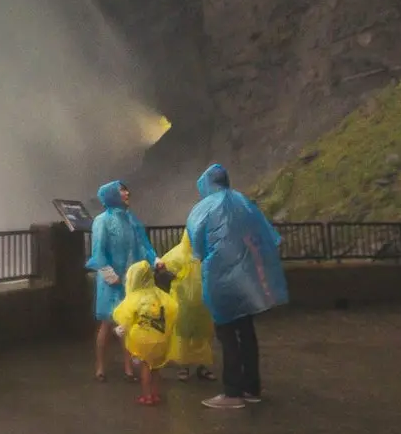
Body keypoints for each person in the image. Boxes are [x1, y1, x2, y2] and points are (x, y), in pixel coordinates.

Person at [185, 163, 288, 410]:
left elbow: (197, 247)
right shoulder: (244, 203)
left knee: (227, 334)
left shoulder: (203, 208)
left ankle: (232, 393)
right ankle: (251, 388)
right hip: (248, 279)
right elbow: (268, 237)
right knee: (247, 331)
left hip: (221, 280)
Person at [85, 180, 157, 382]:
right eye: (121, 191)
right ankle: (100, 366)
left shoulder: (131, 220)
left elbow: (143, 246)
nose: (127, 193)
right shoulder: (102, 220)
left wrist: (155, 261)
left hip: (129, 280)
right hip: (110, 281)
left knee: (128, 324)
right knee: (107, 324)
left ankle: (128, 368)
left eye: (126, 190)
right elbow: (98, 251)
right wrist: (110, 275)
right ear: (111, 195)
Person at [112, 260, 178, 405]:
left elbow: (124, 315)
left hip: (143, 340)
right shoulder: (160, 295)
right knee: (156, 368)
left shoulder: (134, 297)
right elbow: (173, 308)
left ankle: (147, 396)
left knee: (146, 367)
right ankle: (155, 394)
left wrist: (122, 328)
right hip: (161, 338)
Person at [158, 230, 216, 382]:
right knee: (183, 335)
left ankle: (202, 366)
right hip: (182, 303)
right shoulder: (177, 255)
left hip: (203, 303)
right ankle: (184, 366)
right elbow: (161, 271)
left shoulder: (205, 253)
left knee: (202, 335)